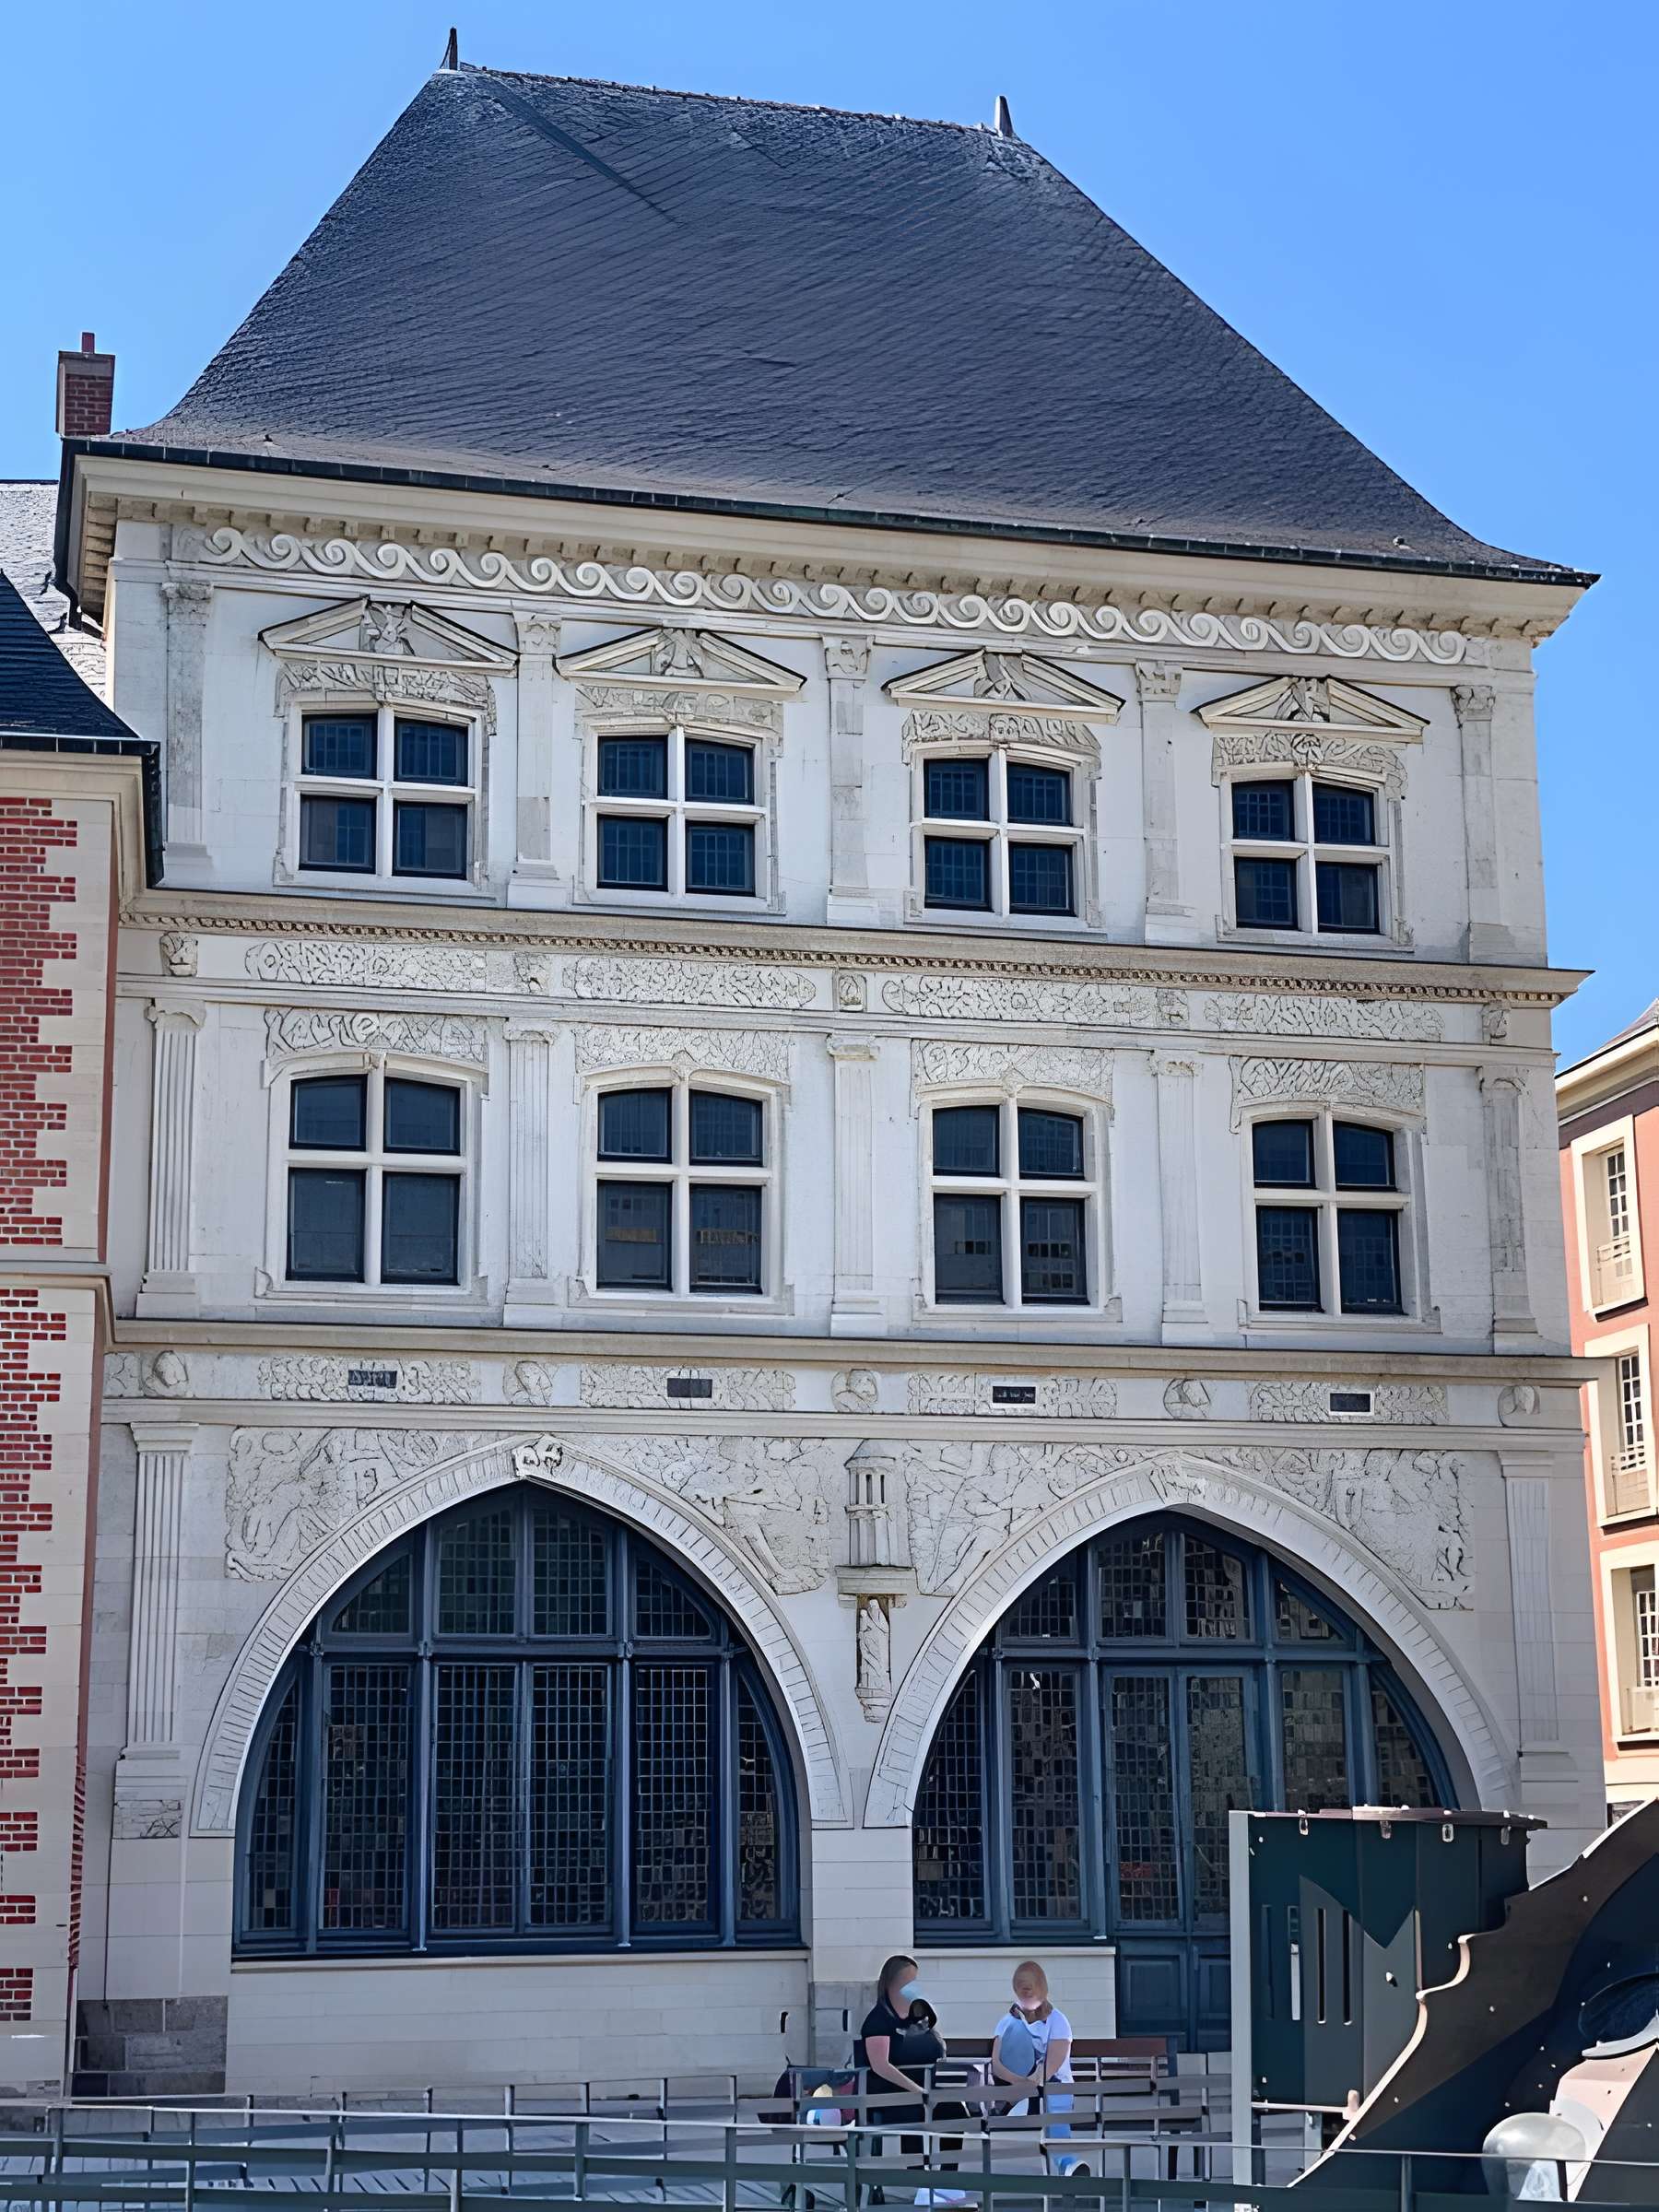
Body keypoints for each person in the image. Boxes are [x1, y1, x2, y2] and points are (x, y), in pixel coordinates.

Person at [855, 1957, 966, 2207]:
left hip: (923, 2087)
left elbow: (936, 2050)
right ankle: (920, 2182)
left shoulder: (918, 2016)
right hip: (888, 2092)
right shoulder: (878, 2021)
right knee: (915, 2111)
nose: (913, 1986)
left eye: (915, 1980)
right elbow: (881, 2066)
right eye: (908, 1981)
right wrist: (918, 2091)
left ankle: (948, 2179)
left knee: (955, 2111)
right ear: (891, 1984)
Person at [991, 1960, 1081, 2177]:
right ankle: (1065, 2165)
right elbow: (997, 2064)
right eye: (1022, 1985)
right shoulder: (1007, 2023)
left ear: (1042, 1987)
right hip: (1019, 2092)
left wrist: (1031, 2083)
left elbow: (1052, 2066)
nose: (1027, 1989)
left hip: (1052, 2087)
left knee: (1054, 2102)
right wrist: (1021, 2085)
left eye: (1031, 1984)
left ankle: (1068, 2166)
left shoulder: (1058, 2021)